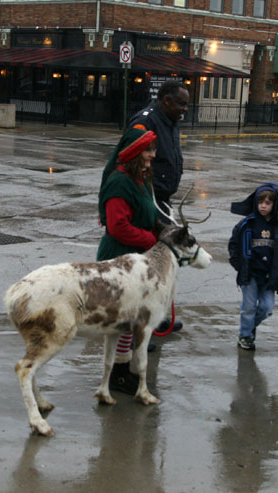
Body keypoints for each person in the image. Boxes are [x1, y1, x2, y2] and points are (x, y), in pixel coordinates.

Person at [97, 127, 159, 394]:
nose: (152, 155)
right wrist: (150, 239)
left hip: (135, 259)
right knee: (123, 321)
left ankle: (122, 371)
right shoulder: (120, 182)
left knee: (131, 319)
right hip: (119, 259)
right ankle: (118, 375)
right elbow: (117, 226)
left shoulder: (139, 178)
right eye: (148, 150)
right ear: (134, 153)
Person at [127, 79, 189, 333]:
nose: (185, 109)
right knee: (147, 264)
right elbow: (131, 160)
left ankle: (158, 314)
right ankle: (139, 324)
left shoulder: (170, 121)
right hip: (148, 199)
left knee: (163, 262)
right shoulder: (146, 121)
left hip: (162, 199)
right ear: (166, 101)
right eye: (181, 104)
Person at [228, 183, 278, 351]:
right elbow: (234, 244)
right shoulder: (247, 224)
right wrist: (238, 264)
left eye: (268, 203)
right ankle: (245, 336)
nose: (263, 206)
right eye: (261, 203)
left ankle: (250, 326)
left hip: (270, 276)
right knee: (249, 307)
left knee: (267, 308)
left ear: (275, 205)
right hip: (250, 274)